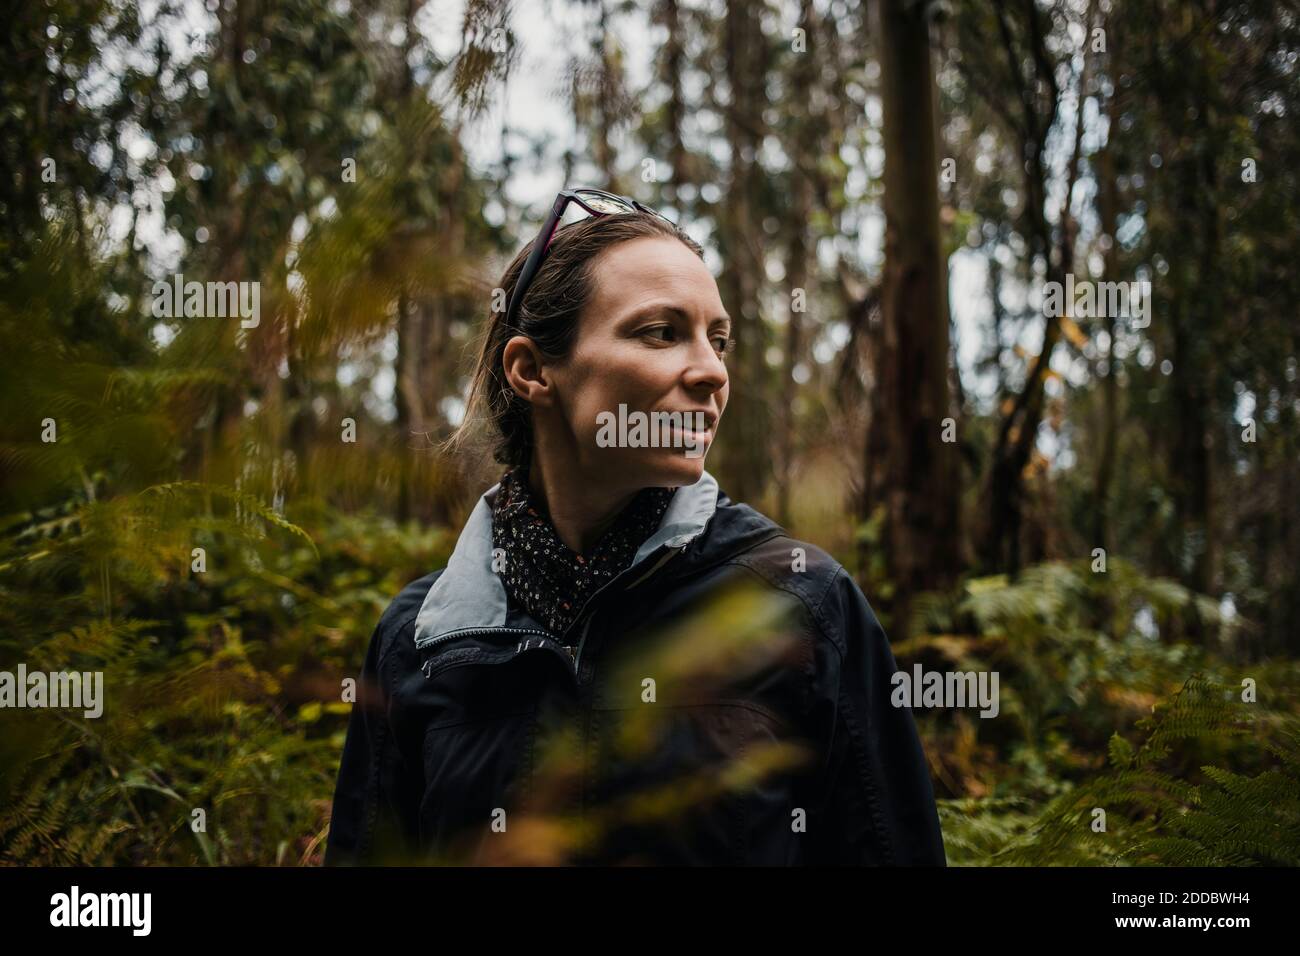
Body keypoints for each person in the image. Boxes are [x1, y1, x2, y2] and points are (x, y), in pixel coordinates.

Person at [324, 187, 947, 866]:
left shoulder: (801, 603)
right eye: (661, 332)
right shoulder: (421, 640)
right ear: (532, 370)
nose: (712, 372)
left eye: (720, 340)